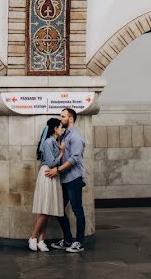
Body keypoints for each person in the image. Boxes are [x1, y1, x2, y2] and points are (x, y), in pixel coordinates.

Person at [46, 108, 86, 253]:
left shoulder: (75, 136)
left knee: (77, 210)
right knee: (58, 210)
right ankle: (68, 239)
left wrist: (57, 170)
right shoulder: (64, 136)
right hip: (64, 179)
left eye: (62, 116)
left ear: (70, 119)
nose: (60, 118)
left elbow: (74, 159)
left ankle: (79, 242)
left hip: (74, 178)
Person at [28, 118, 65, 252]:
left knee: (47, 209)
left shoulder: (54, 142)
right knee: (45, 210)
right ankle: (33, 237)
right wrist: (61, 153)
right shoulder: (49, 142)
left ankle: (41, 240)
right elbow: (51, 163)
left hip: (52, 175)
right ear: (55, 128)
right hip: (48, 174)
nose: (62, 129)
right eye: (60, 127)